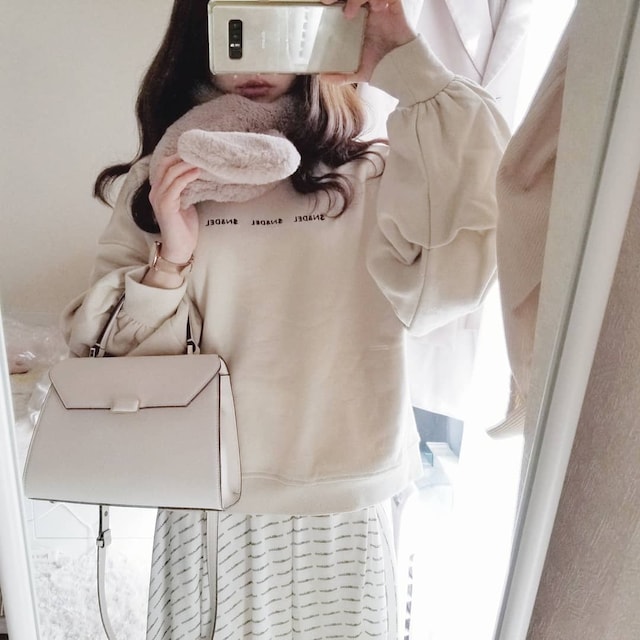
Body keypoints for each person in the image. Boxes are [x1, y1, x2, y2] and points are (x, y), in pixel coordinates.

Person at [63, 0, 509, 637]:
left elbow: (476, 247)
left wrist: (408, 65)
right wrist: (172, 256)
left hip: (345, 501)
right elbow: (105, 361)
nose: (258, 59)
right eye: (238, 24)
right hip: (207, 504)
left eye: (280, 22)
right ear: (200, 33)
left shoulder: (370, 175)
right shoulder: (161, 180)